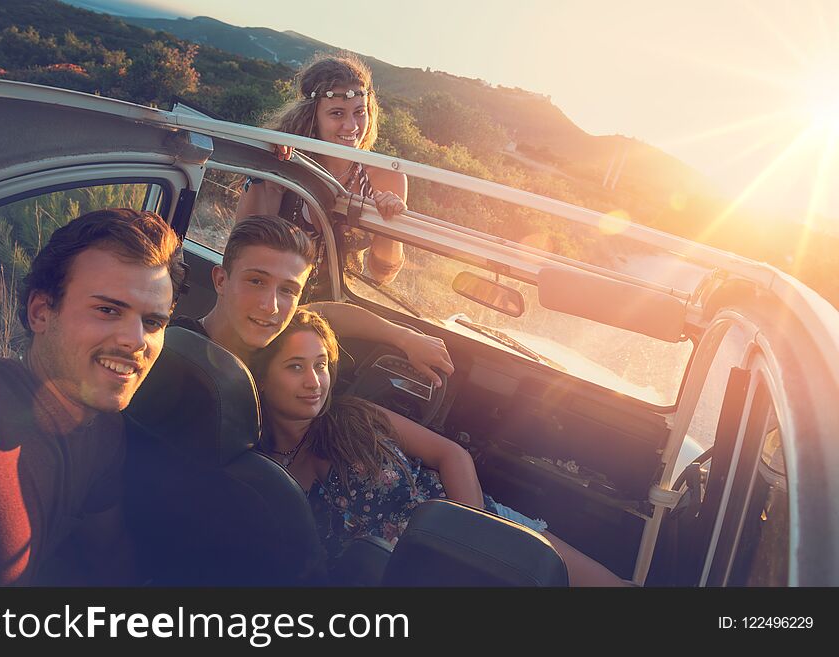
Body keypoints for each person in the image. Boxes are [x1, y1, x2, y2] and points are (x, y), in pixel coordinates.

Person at [250, 309, 628, 587]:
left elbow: (451, 455)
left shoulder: (356, 414)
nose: (315, 381)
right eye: (295, 367)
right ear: (262, 379)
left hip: (479, 522)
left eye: (321, 364)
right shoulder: (262, 470)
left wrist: (474, 540)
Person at [0, 208, 184, 585]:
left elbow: (108, 556)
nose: (136, 340)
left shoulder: (105, 431)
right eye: (108, 310)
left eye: (153, 322)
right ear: (40, 313)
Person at [173, 214, 453, 387]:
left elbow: (327, 312)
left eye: (288, 290)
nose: (270, 306)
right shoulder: (173, 349)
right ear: (221, 280)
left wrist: (404, 338)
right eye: (256, 281)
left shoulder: (275, 338)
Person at [234, 53, 406, 299]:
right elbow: (245, 250)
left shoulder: (387, 177)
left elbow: (382, 275)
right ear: (313, 117)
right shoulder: (286, 160)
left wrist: (391, 225)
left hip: (341, 305)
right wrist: (271, 177)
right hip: (272, 298)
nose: (352, 126)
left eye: (359, 112)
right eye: (337, 113)